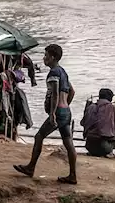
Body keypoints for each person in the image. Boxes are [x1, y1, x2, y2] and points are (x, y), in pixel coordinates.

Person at [14, 44, 78, 184]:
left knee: (39, 136)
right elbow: (72, 91)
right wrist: (65, 105)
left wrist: (53, 113)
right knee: (68, 142)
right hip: (66, 111)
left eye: (46, 55)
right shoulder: (63, 72)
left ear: (52, 57)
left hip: (59, 112)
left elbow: (55, 93)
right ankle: (72, 175)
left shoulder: (54, 73)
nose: (44, 58)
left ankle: (31, 167)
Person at [81, 88, 115, 158]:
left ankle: (96, 150)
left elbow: (83, 123)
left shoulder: (90, 107)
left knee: (100, 134)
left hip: (89, 146)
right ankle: (109, 151)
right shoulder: (111, 108)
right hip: (104, 148)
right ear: (110, 98)